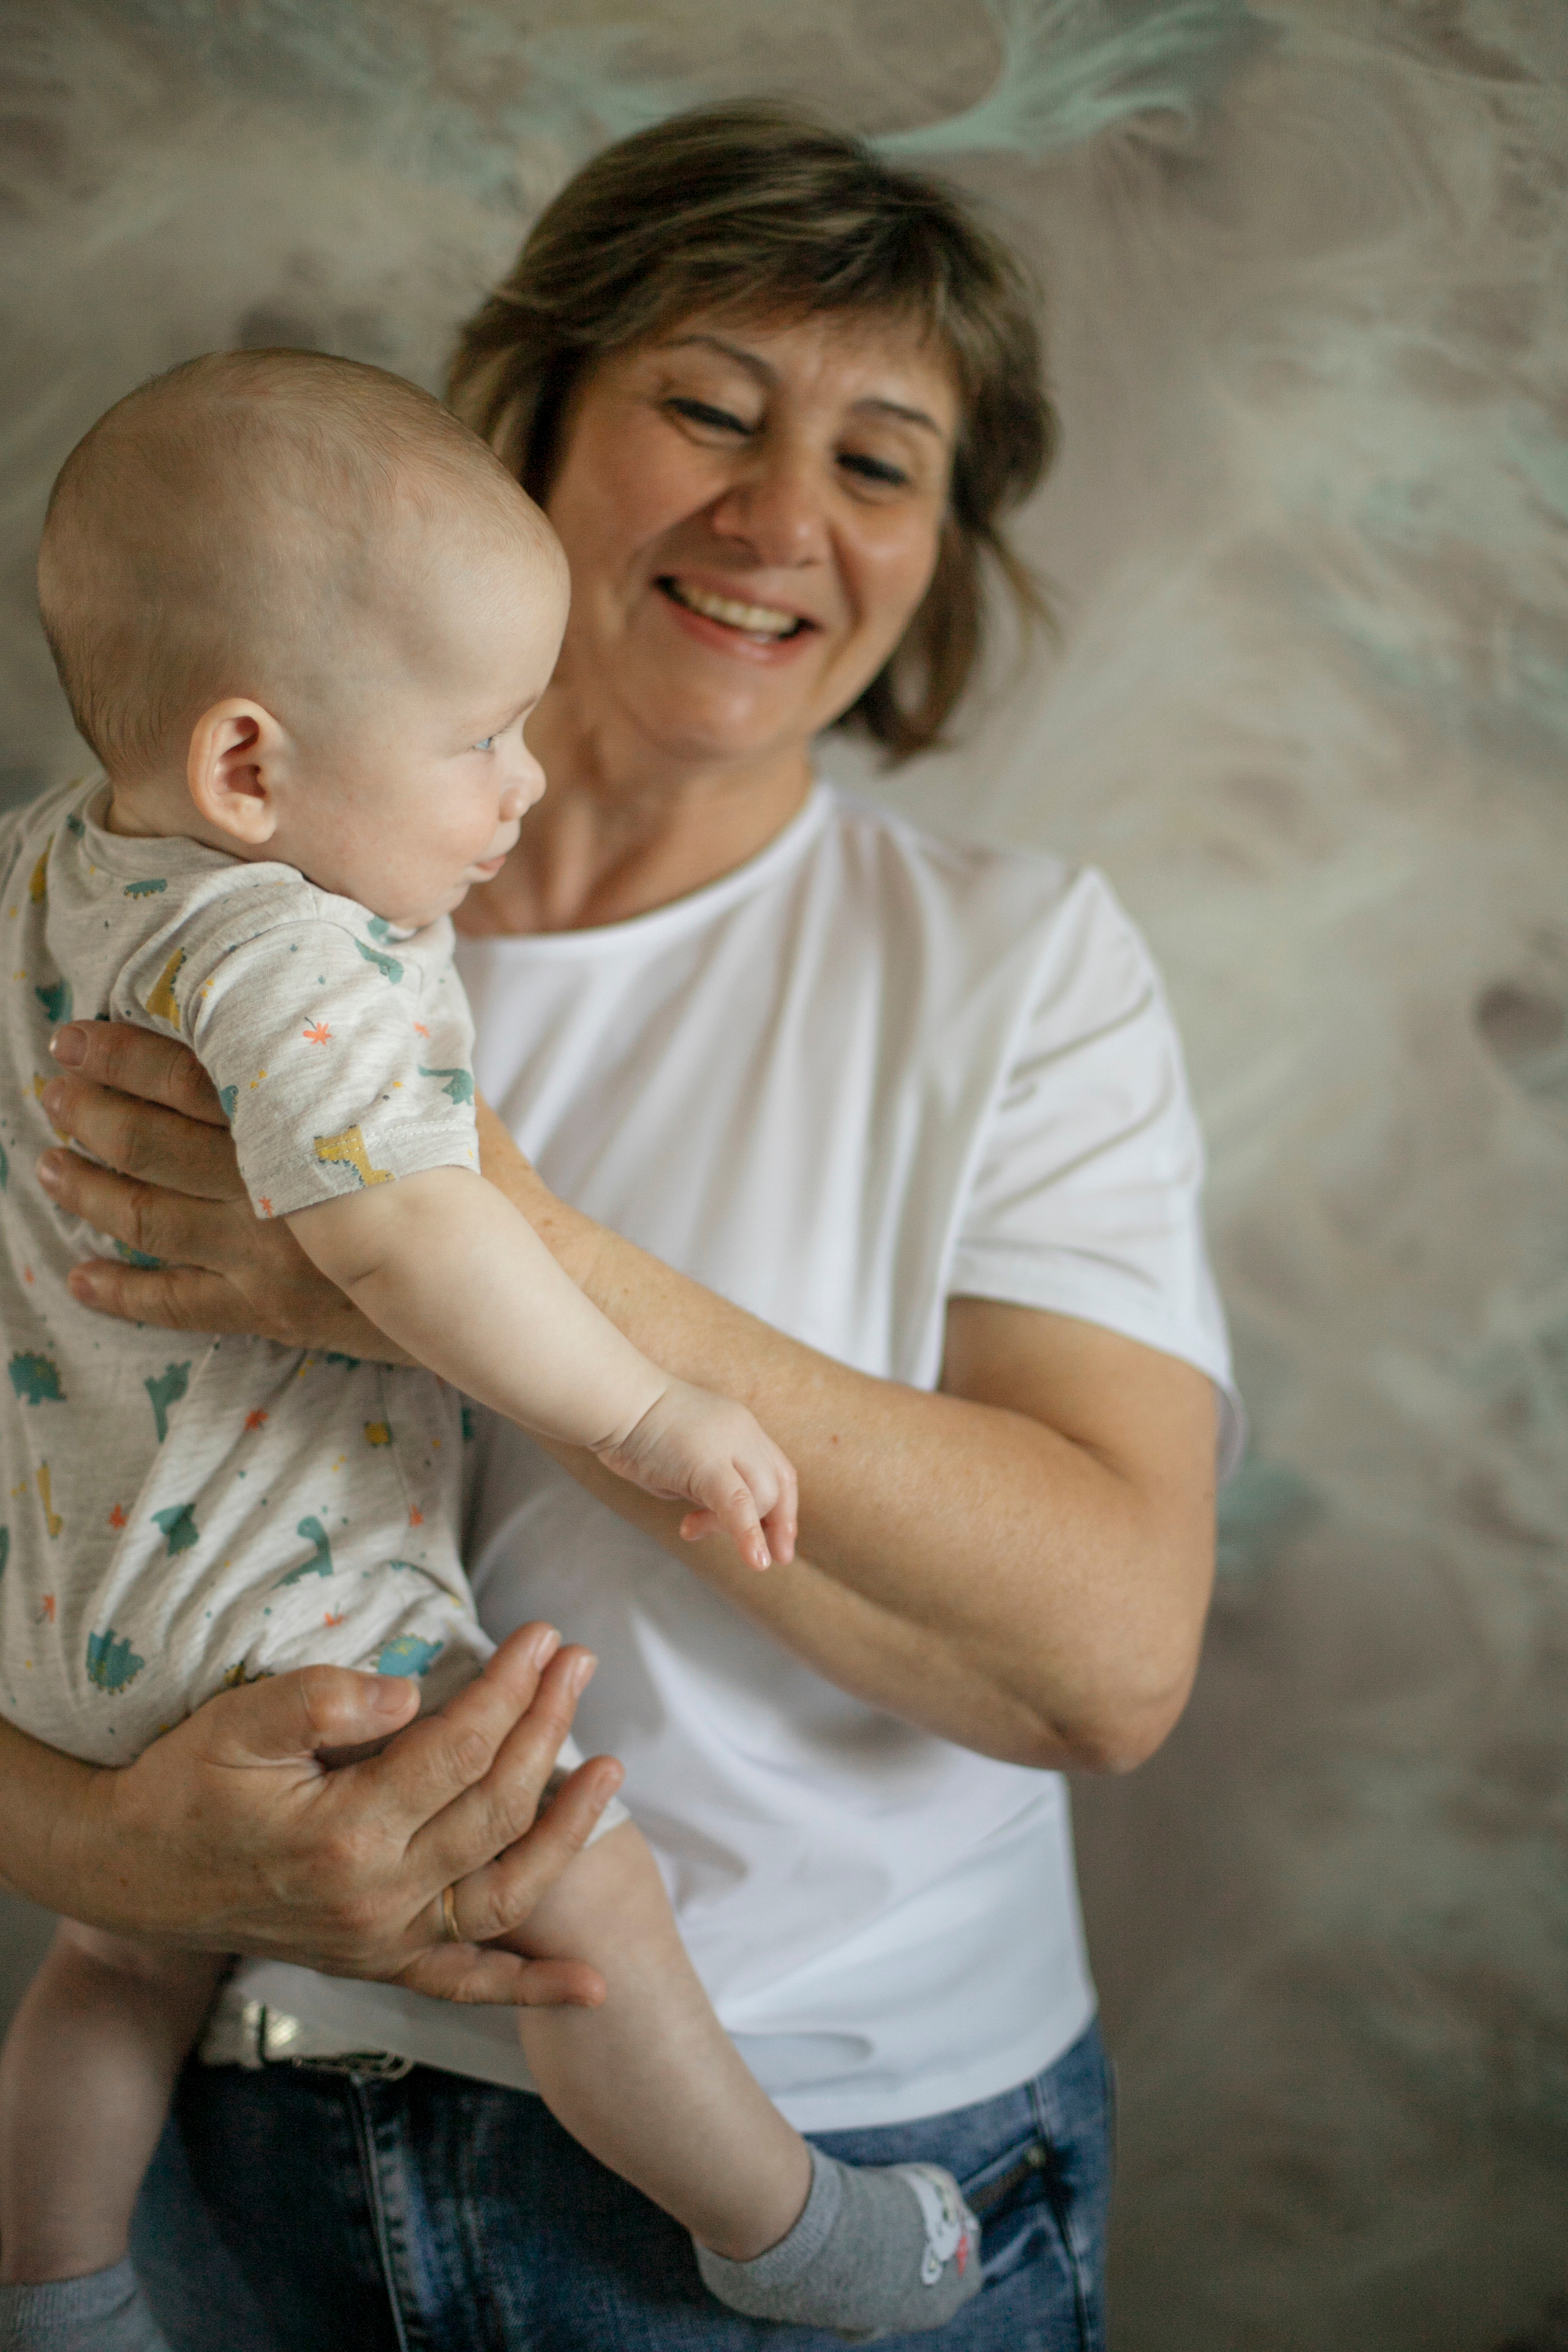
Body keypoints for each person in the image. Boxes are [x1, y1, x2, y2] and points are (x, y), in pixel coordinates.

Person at [1, 104, 1240, 2351]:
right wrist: (109, 1857)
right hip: (244, 2143)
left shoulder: (1012, 966)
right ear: (533, 416)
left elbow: (1111, 1658)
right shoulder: (145, 931)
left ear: (939, 550)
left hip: (841, 2129)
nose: (782, 518)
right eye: (708, 407)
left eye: (882, 461)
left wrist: (482, 1240)